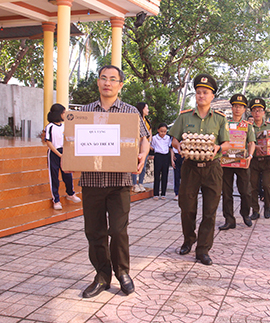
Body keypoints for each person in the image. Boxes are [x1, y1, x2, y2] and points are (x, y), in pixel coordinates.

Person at [79, 65, 150, 298]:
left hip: (119, 181)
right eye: (103, 78)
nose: (107, 83)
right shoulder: (84, 112)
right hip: (91, 181)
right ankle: (101, 276)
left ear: (120, 84)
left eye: (112, 79)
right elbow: (73, 141)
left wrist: (142, 154)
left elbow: (144, 139)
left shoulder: (130, 112)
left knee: (118, 230)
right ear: (98, 83)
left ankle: (122, 273)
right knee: (94, 231)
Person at [170, 73, 230, 266]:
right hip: (190, 167)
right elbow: (174, 139)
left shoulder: (220, 119)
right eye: (198, 92)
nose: (201, 96)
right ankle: (189, 239)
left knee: (210, 210)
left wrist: (218, 148)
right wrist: (181, 147)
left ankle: (203, 250)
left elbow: (227, 143)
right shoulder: (184, 116)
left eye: (205, 93)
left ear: (212, 96)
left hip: (212, 168)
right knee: (187, 208)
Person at [219, 94, 256, 230]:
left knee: (246, 191)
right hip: (227, 162)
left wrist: (250, 157)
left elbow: (251, 143)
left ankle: (245, 213)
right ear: (232, 108)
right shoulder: (225, 124)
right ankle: (229, 219)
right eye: (235, 106)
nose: (237, 109)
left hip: (242, 161)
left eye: (240, 106)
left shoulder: (247, 126)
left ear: (244, 109)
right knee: (226, 192)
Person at [44, 103, 81, 210]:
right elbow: (49, 142)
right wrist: (59, 154)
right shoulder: (50, 127)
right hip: (54, 153)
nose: (65, 115)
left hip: (64, 151)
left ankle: (70, 194)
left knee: (68, 175)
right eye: (63, 113)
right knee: (54, 177)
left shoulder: (64, 126)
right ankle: (56, 200)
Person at [249, 98, 270, 220]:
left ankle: (267, 206)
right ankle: (255, 210)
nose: (257, 113)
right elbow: (242, 143)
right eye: (254, 110)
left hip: (267, 161)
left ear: (264, 112)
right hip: (253, 161)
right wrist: (255, 147)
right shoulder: (248, 127)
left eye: (259, 110)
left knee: (267, 185)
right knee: (253, 186)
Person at [132, 102, 151, 193]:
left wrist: (149, 143)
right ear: (142, 109)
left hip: (145, 146)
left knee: (143, 166)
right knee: (135, 166)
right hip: (136, 146)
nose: (148, 110)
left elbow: (149, 134)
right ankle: (134, 184)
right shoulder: (135, 119)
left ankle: (141, 183)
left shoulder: (147, 121)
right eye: (146, 108)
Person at [151, 122, 172, 200]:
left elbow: (169, 147)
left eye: (165, 131)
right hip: (158, 156)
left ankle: (163, 193)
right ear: (158, 130)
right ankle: (155, 194)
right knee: (157, 175)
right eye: (161, 131)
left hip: (166, 156)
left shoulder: (168, 138)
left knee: (165, 175)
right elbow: (152, 146)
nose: (163, 133)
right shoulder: (154, 138)